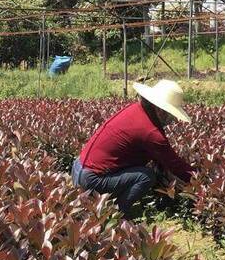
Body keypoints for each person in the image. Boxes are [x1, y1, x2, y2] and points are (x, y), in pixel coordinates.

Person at [72, 80, 194, 215]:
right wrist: (199, 181)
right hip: (91, 180)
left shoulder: (136, 109)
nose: (172, 120)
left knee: (149, 169)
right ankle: (116, 214)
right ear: (160, 110)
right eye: (171, 115)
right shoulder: (151, 132)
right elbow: (175, 165)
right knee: (146, 176)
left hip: (78, 168)